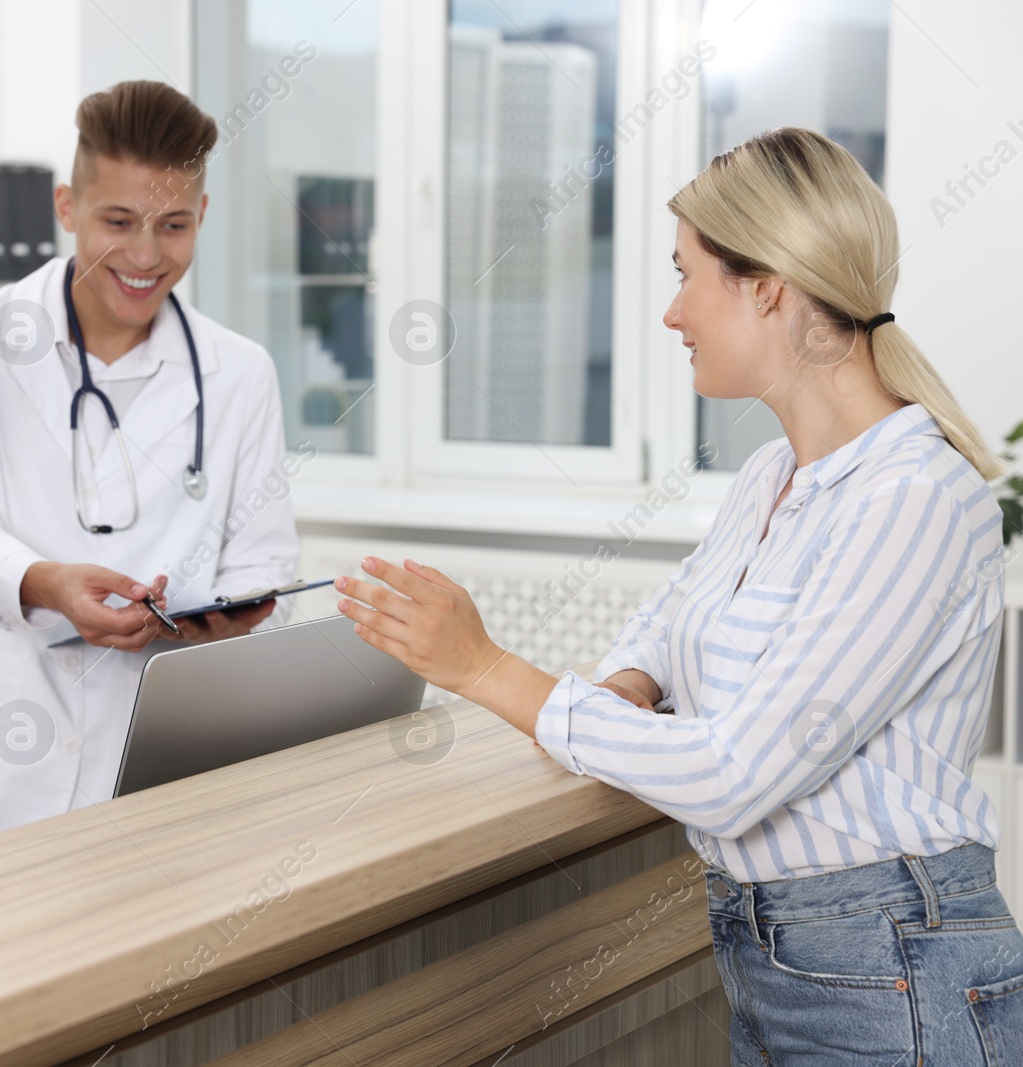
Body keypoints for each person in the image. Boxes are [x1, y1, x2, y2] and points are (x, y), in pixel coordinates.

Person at [335, 128, 1023, 1062]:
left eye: (685, 273)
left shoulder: (915, 499)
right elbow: (668, 623)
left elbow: (734, 778)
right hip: (782, 955)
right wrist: (623, 683)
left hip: (895, 966)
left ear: (767, 285)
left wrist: (485, 667)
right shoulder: (775, 473)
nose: (671, 313)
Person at [0, 80, 301, 845]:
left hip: (152, 733)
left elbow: (264, 561)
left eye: (173, 225)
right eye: (118, 220)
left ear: (202, 218)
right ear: (66, 207)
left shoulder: (240, 372)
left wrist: (221, 625)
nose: (146, 255)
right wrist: (48, 583)